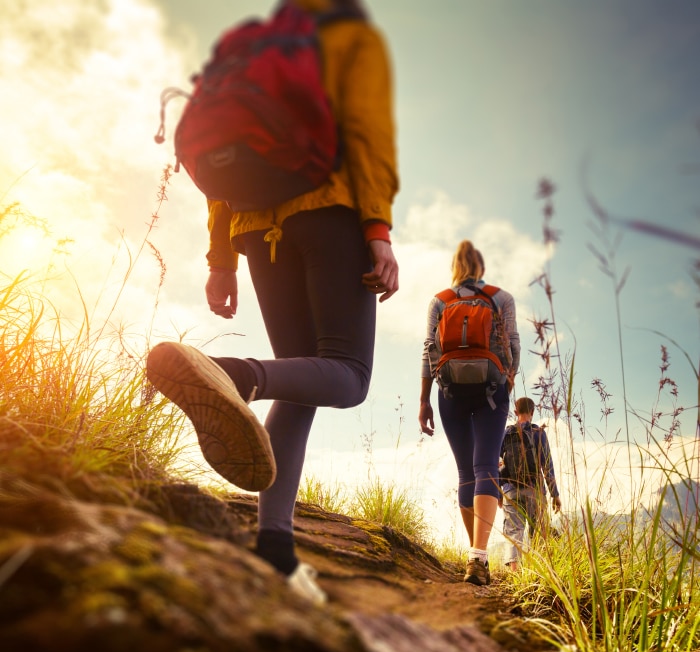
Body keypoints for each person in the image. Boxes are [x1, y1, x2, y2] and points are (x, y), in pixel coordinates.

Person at [147, 0, 399, 606]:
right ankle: (235, 376)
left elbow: (223, 171)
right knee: (348, 375)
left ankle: (276, 551)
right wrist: (378, 231)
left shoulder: (252, 43)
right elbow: (367, 133)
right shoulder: (349, 37)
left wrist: (220, 260)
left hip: (255, 230)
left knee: (302, 384)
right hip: (328, 216)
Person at [419, 240, 520, 586]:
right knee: (486, 468)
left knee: (466, 473)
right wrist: (505, 386)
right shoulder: (500, 298)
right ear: (481, 267)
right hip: (492, 391)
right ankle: (478, 554)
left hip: (450, 393)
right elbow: (514, 346)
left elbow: (427, 351)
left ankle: (475, 555)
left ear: (455, 267)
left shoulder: (440, 301)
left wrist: (424, 400)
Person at [499, 396, 562, 571]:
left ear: (515, 411)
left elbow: (497, 463)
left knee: (514, 531)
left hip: (510, 490)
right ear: (532, 412)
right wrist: (555, 494)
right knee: (538, 531)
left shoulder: (505, 433)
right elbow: (547, 465)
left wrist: (498, 493)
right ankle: (538, 573)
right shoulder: (538, 433)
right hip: (535, 490)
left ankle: (515, 573)